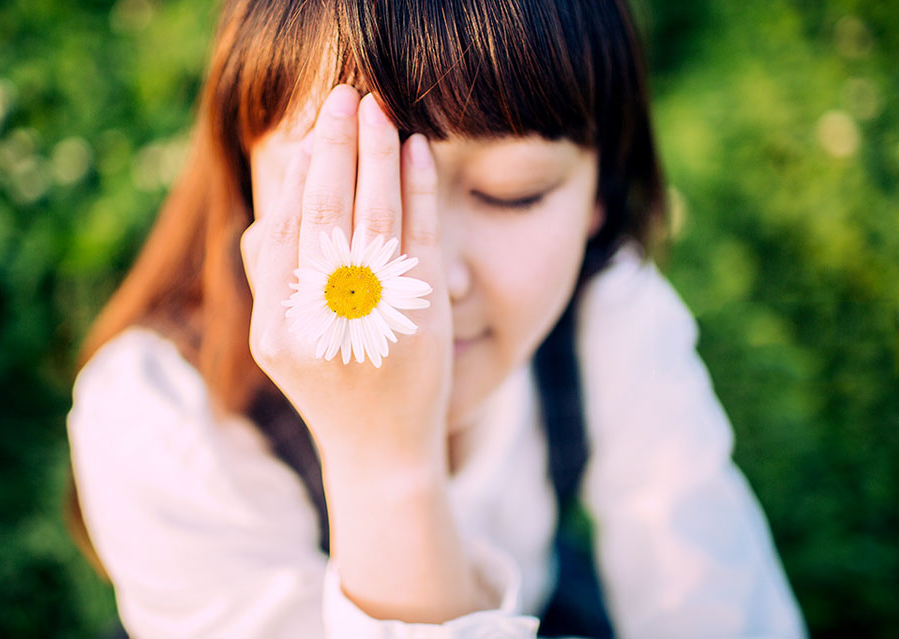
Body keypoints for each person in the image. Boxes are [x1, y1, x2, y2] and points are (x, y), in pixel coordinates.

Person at [63, 0, 808, 637]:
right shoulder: (159, 418)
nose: (426, 281)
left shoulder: (608, 309)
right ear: (245, 177)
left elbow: (715, 593)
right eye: (354, 182)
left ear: (599, 199)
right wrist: (385, 461)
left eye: (510, 193)